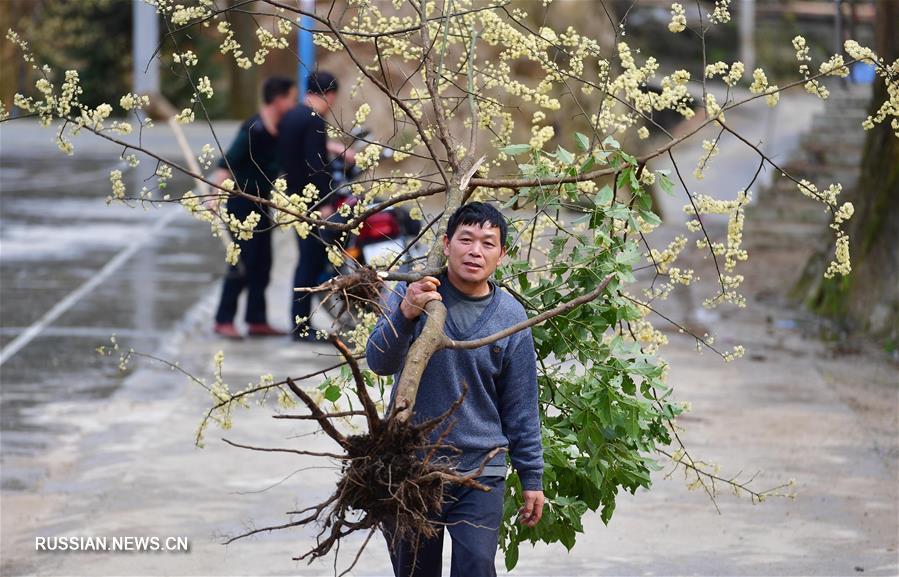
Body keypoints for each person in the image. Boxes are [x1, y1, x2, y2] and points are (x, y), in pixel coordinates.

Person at [365, 202, 545, 577]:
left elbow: (522, 407)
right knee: (415, 570)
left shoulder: (511, 319)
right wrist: (406, 314)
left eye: (487, 243)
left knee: (477, 567)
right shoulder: (415, 294)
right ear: (447, 245)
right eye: (465, 239)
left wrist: (532, 478)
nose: (475, 251)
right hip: (412, 466)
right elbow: (378, 363)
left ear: (502, 254)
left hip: (480, 469)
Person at [211, 76, 297, 339]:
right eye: (291, 98)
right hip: (240, 204)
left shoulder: (280, 129)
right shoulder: (254, 128)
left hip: (262, 205)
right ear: (279, 99)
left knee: (263, 262)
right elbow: (225, 165)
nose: (293, 104)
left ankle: (256, 319)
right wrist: (214, 196)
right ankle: (223, 319)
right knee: (242, 263)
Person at [277, 71, 354, 342]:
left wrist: (330, 145)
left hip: (294, 202)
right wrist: (325, 204)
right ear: (330, 95)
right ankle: (300, 327)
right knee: (309, 264)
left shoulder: (292, 116)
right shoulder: (314, 121)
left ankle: (299, 323)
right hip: (312, 205)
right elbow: (316, 166)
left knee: (305, 263)